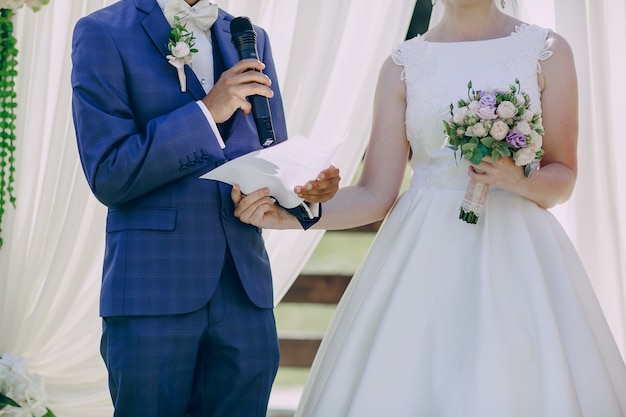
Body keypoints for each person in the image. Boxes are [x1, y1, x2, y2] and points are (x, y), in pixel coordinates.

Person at [232, 0, 626, 415]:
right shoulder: (403, 64)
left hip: (521, 255)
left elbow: (562, 178)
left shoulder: (546, 50)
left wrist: (516, 178)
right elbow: (374, 194)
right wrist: (292, 214)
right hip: (423, 255)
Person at [70, 0, 340, 416]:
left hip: (244, 295)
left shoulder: (250, 38)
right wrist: (206, 112)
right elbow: (109, 173)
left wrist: (305, 192)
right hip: (152, 292)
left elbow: (271, 152)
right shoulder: (102, 32)